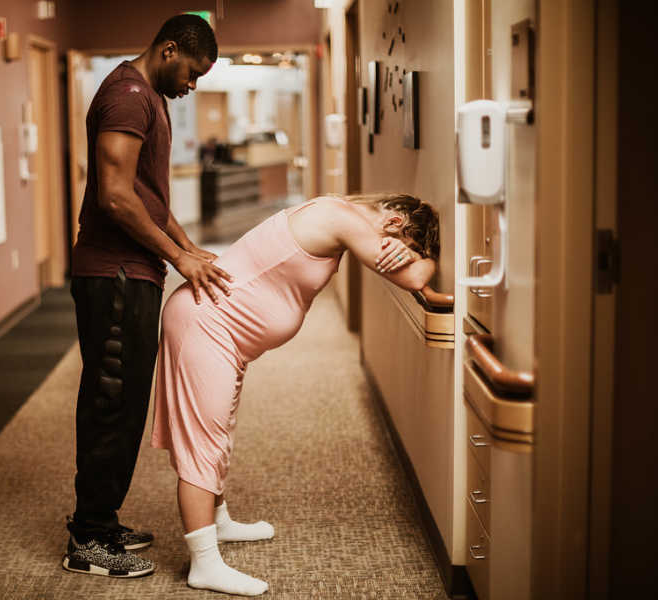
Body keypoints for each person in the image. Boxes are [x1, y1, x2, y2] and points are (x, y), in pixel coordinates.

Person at [151, 193, 440, 595]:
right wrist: (426, 262)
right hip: (208, 326)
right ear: (392, 225)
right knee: (204, 442)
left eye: (403, 254)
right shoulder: (342, 218)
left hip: (222, 330)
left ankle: (218, 520)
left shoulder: (341, 211)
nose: (394, 256)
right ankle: (204, 564)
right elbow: (414, 278)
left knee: (220, 430)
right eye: (402, 248)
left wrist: (410, 252)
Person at [63, 14, 232, 578]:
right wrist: (178, 256)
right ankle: (88, 538)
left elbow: (148, 197)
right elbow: (114, 196)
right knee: (112, 401)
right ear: (167, 50)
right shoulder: (129, 97)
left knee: (127, 398)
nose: (192, 85)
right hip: (114, 273)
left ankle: (103, 521)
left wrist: (188, 247)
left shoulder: (149, 98)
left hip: (132, 271)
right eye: (192, 72)